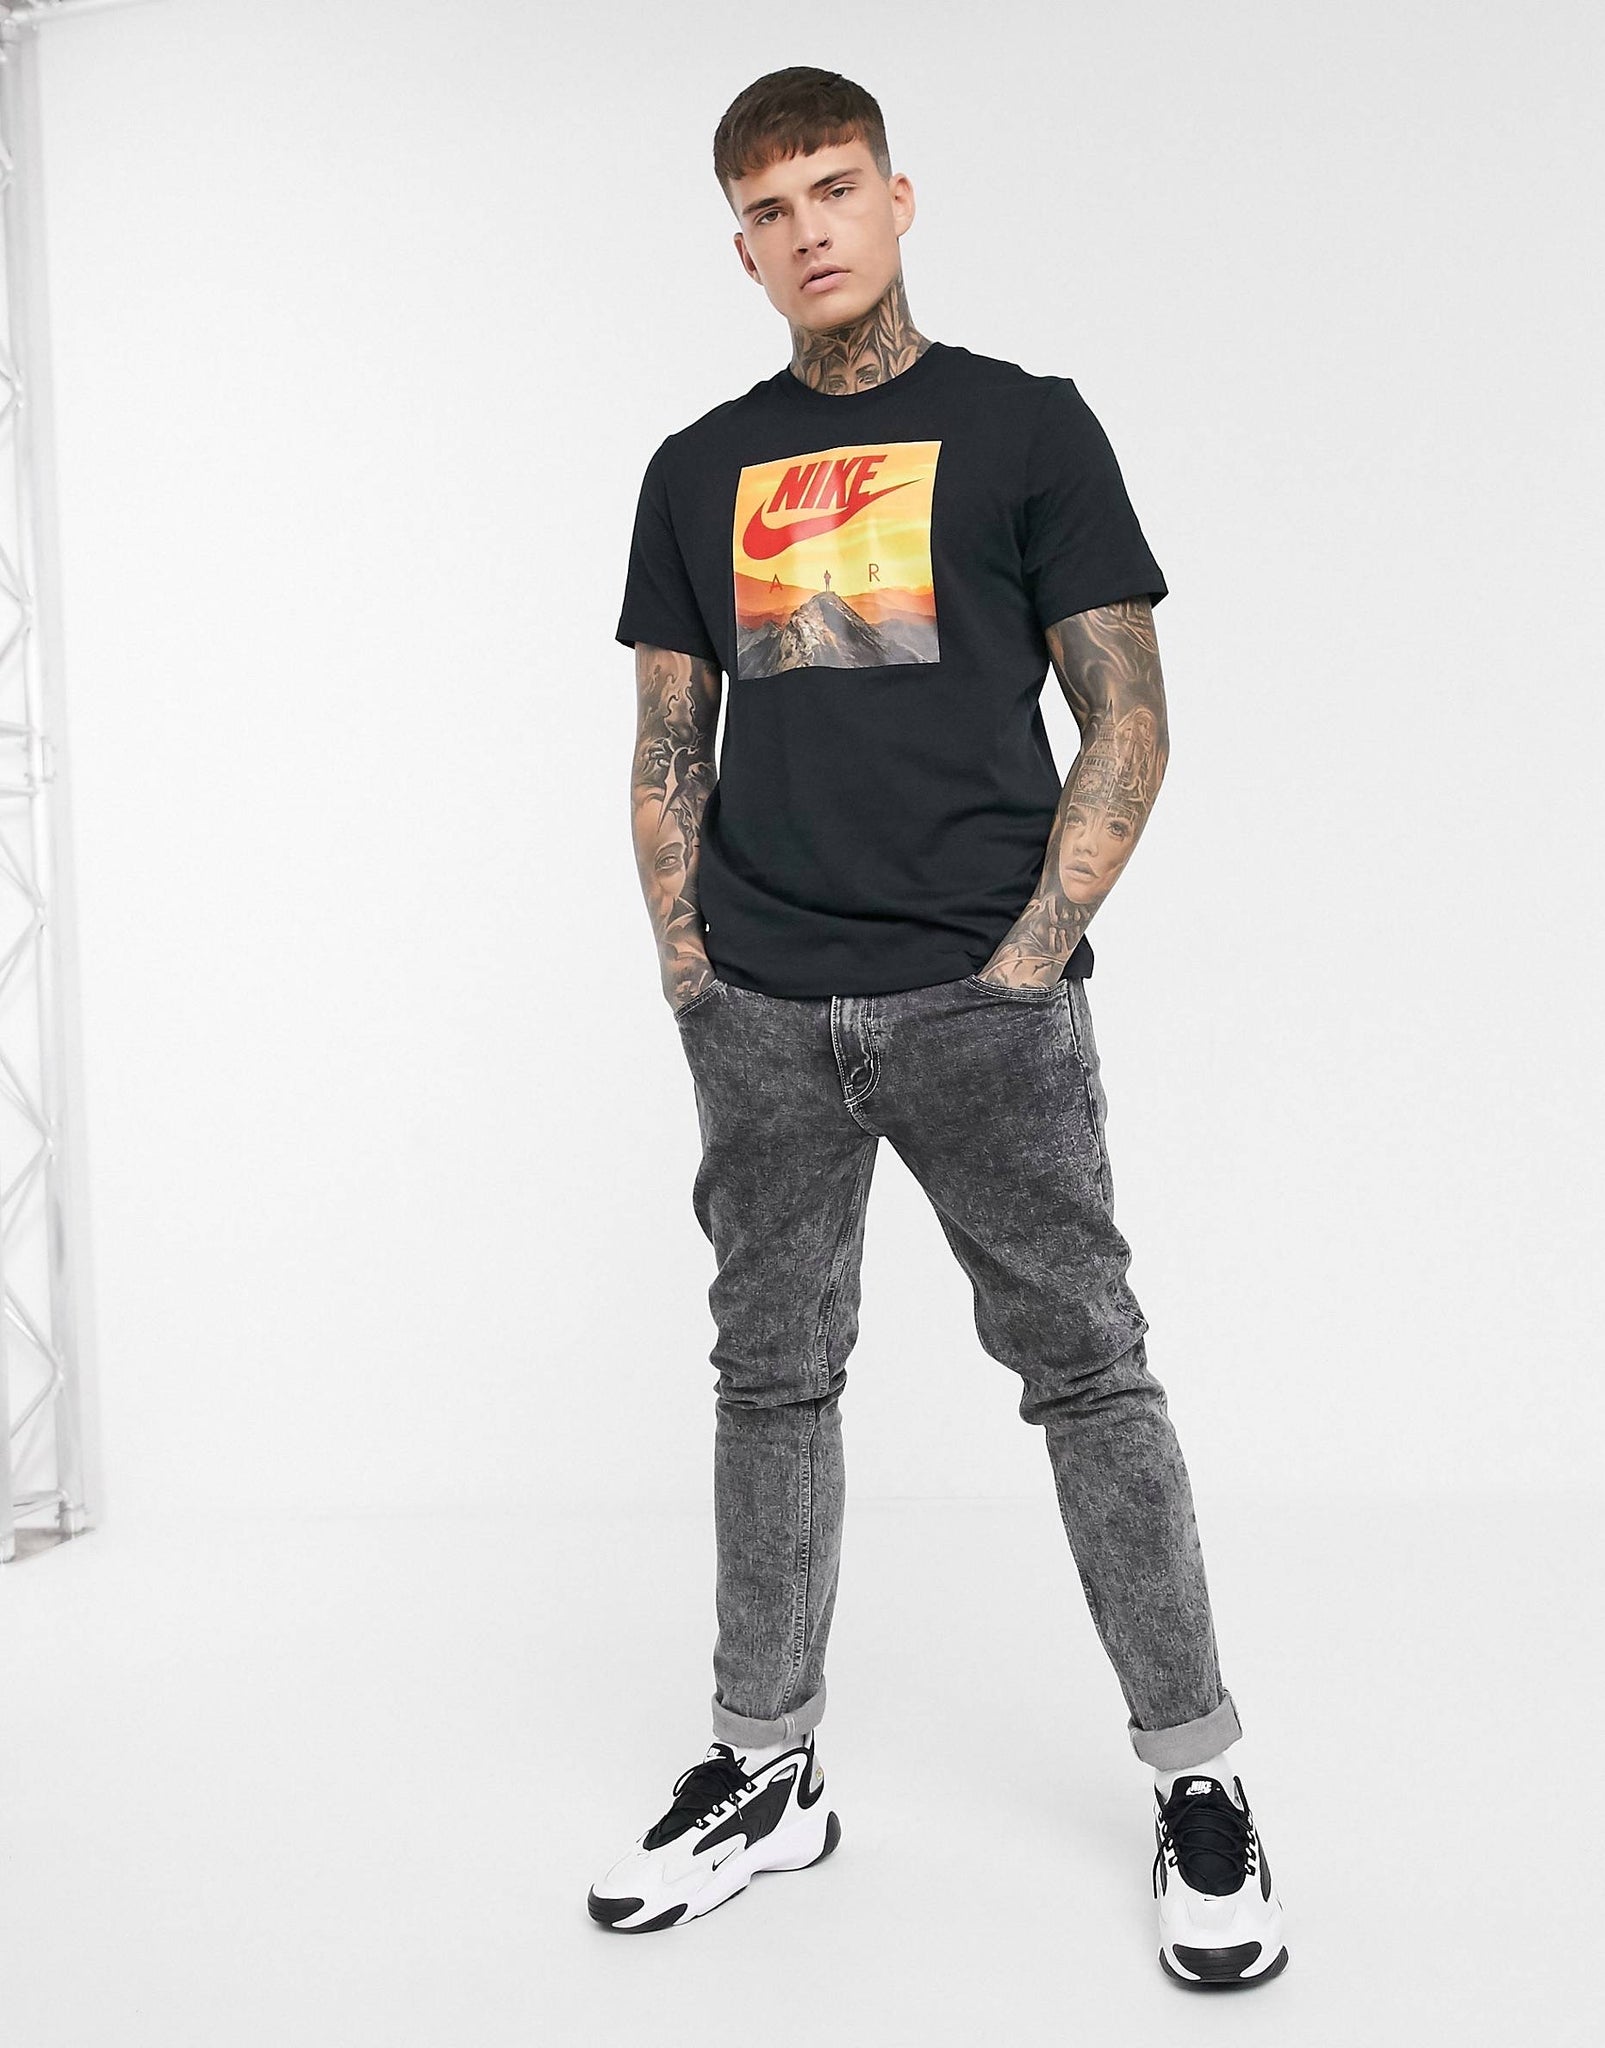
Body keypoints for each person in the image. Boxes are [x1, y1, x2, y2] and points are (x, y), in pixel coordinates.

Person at [589, 65, 1288, 1988]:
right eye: (766, 208)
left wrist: (1030, 958)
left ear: (897, 199)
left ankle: (1197, 1776)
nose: (805, 229)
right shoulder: (695, 467)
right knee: (769, 1383)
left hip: (983, 1005)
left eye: (833, 187)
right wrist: (689, 966)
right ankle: (764, 1770)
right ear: (738, 249)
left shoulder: (1024, 426)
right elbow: (666, 741)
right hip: (760, 1008)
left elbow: (1127, 715)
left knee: (1089, 1379)